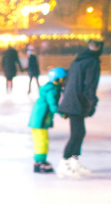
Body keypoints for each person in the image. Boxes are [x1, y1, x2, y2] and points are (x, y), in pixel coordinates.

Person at [56, 39, 103, 179]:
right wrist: (91, 104)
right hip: (77, 102)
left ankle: (75, 162)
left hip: (72, 100)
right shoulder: (92, 62)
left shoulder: (78, 60)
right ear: (100, 47)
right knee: (77, 134)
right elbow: (90, 85)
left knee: (80, 132)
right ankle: (64, 163)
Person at [28, 67, 66, 174]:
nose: (64, 82)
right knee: (42, 142)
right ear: (57, 79)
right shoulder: (52, 89)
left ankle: (39, 161)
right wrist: (63, 113)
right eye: (63, 79)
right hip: (40, 120)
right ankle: (40, 162)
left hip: (37, 119)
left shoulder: (50, 87)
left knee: (39, 141)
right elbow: (53, 106)